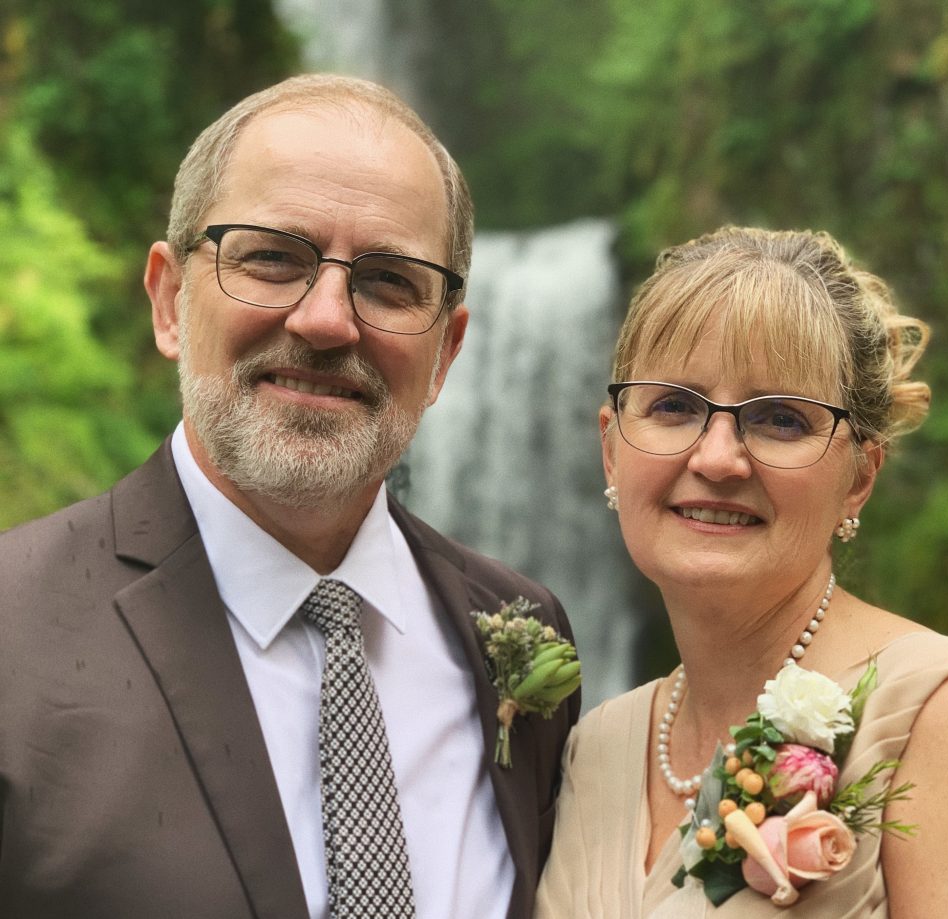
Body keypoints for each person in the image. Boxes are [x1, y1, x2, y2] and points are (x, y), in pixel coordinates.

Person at [0, 74, 579, 919]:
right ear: (169, 299)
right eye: (272, 257)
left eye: (389, 280)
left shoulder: (523, 631)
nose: (326, 320)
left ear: (448, 351)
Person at [535, 226, 948, 917]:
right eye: (674, 405)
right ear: (611, 449)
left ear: (859, 477)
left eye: (781, 420)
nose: (718, 458)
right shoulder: (594, 746)